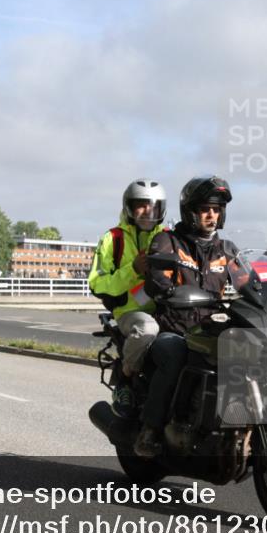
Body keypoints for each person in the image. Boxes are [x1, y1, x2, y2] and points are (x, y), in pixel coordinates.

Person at [136, 175, 239, 457]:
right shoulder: (168, 242)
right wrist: (169, 290)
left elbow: (248, 281)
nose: (212, 215)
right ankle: (150, 429)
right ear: (191, 211)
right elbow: (156, 279)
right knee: (173, 355)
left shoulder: (226, 249)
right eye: (206, 209)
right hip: (176, 329)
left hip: (211, 331)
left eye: (216, 210)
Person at [89, 179, 167, 418]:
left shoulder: (167, 237)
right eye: (140, 205)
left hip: (166, 309)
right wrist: (132, 269)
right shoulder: (113, 239)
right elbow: (97, 282)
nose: (147, 211)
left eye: (152, 205)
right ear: (129, 207)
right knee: (147, 328)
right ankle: (124, 379)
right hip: (129, 312)